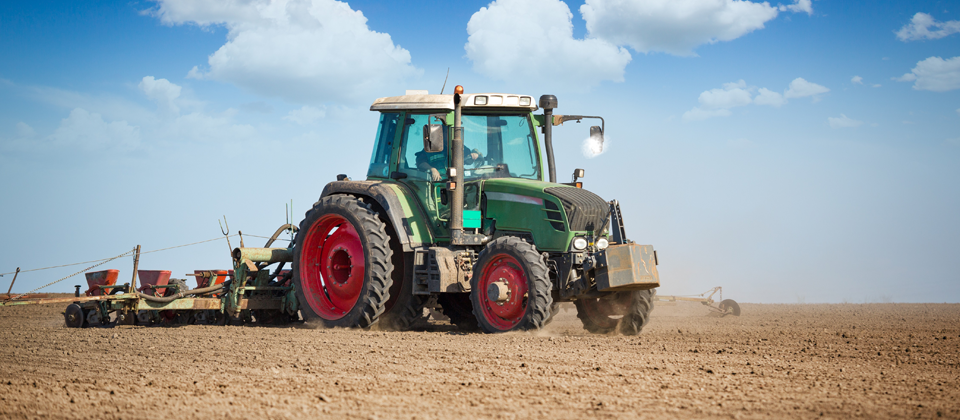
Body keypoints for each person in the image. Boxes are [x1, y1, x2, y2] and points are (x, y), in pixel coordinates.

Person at [416, 147, 482, 182]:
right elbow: (420, 163)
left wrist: (474, 154)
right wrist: (432, 169)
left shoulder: (458, 146)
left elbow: (468, 158)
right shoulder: (429, 149)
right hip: (437, 181)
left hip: (457, 180)